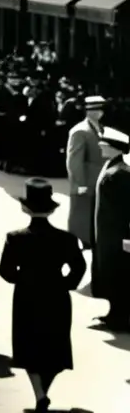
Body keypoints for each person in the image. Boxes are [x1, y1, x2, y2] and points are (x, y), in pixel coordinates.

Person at [0, 178, 86, 412]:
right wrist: (66, 284)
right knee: (54, 345)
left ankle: (39, 394)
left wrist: (22, 280)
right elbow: (79, 267)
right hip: (56, 295)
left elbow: (5, 271)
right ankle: (42, 392)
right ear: (51, 209)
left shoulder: (15, 238)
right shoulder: (66, 239)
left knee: (29, 345)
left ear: (25, 208)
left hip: (27, 295)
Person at [91, 126, 130, 329]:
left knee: (117, 275)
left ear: (114, 148)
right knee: (109, 273)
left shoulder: (119, 174)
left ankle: (120, 317)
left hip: (117, 235)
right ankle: (114, 312)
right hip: (107, 233)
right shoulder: (113, 167)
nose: (100, 146)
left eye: (104, 144)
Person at [66, 94, 107, 249]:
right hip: (86, 180)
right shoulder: (79, 131)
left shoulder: (100, 128)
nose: (100, 112)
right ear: (89, 111)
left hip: (97, 179)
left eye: (100, 109)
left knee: (91, 213)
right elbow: (74, 160)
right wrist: (79, 182)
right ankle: (78, 242)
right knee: (81, 213)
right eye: (96, 109)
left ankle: (89, 239)